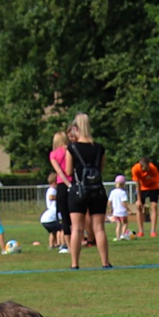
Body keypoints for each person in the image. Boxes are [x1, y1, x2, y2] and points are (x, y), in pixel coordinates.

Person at [67, 113, 111, 270]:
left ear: (75, 128)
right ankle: (105, 262)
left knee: (77, 228)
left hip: (78, 191)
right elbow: (101, 169)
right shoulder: (99, 148)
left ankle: (74, 263)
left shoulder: (72, 148)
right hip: (97, 191)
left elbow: (68, 170)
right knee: (99, 228)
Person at [131, 155, 159, 237]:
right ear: (141, 166)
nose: (147, 169)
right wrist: (139, 200)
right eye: (146, 168)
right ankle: (141, 231)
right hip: (141, 188)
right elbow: (137, 185)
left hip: (153, 187)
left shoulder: (153, 168)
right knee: (139, 207)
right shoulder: (135, 169)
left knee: (154, 206)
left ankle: (153, 231)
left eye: (148, 167)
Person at [41, 173, 66, 252]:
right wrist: (61, 197)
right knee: (62, 229)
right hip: (53, 214)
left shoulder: (50, 189)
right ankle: (63, 244)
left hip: (47, 217)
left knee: (53, 232)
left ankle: (52, 245)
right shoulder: (52, 190)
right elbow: (51, 197)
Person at [109, 175, 131, 241]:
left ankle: (118, 237)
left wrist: (111, 209)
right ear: (123, 184)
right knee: (125, 223)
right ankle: (122, 235)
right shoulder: (123, 192)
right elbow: (123, 203)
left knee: (118, 224)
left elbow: (109, 202)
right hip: (122, 211)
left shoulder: (112, 192)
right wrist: (128, 209)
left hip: (115, 211)